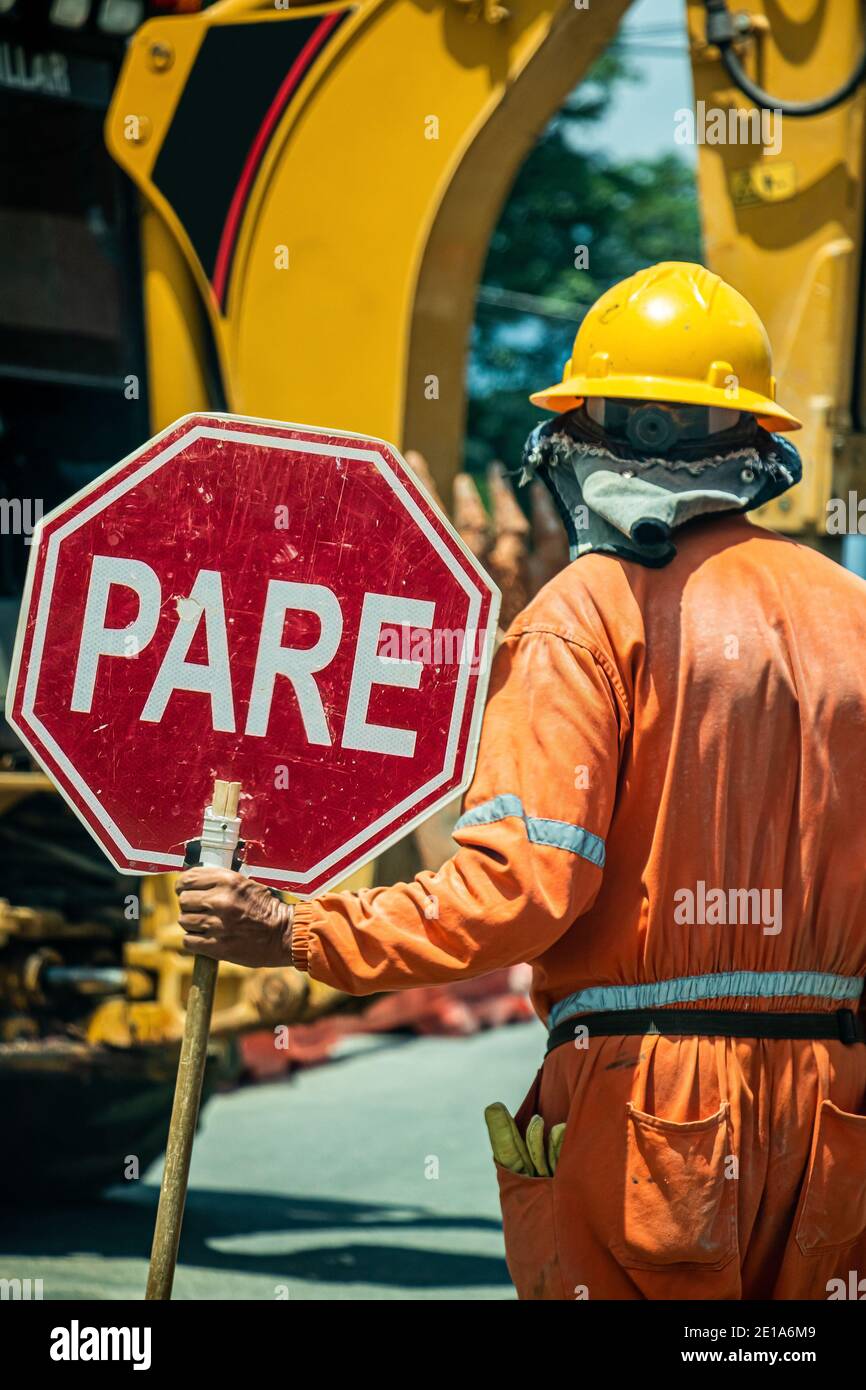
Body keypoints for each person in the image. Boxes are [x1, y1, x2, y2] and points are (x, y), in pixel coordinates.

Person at [177, 262, 866, 1300]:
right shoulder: (848, 614)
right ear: (747, 441)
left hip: (649, 1109)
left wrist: (297, 933)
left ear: (611, 434)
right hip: (835, 1107)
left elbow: (516, 894)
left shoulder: (586, 613)